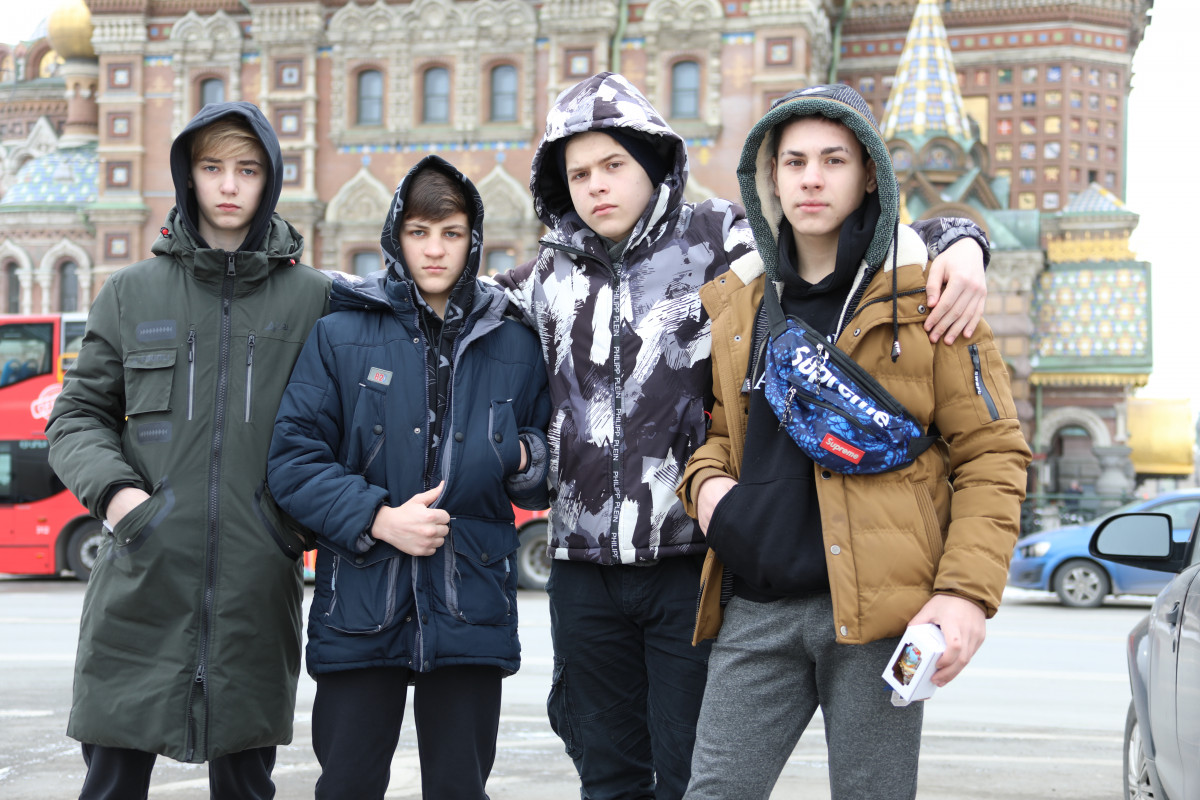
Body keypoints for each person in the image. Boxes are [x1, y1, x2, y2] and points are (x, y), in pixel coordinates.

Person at [494, 71, 995, 800]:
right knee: (611, 772)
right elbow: (449, 298)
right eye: (578, 173)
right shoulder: (546, 277)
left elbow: (876, 237)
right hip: (589, 560)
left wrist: (966, 241)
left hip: (695, 559)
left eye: (614, 165)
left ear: (654, 164)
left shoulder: (722, 243)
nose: (597, 185)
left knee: (699, 772)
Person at [676, 84, 1032, 799]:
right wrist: (709, 491)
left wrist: (966, 594)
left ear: (869, 172)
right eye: (795, 161)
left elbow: (991, 454)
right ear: (770, 176)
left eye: (834, 160)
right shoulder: (740, 303)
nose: (812, 178)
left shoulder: (931, 296)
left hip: (882, 614)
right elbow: (720, 432)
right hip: (756, 607)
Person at [44, 102, 331, 798]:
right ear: (188, 176)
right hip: (141, 578)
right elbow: (76, 415)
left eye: (248, 169)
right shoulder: (130, 294)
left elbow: (344, 431)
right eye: (212, 167)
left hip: (255, 589)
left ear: (271, 179)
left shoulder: (314, 300)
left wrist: (290, 527)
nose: (229, 185)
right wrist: (120, 500)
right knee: (112, 780)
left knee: (246, 784)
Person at [265, 155, 551, 800]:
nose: (435, 249)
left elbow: (546, 465)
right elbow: (293, 459)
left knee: (459, 788)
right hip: (361, 599)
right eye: (420, 233)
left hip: (470, 598)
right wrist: (378, 518)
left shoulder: (513, 341)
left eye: (451, 233)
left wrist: (522, 457)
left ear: (473, 240)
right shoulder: (340, 335)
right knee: (348, 785)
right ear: (397, 238)